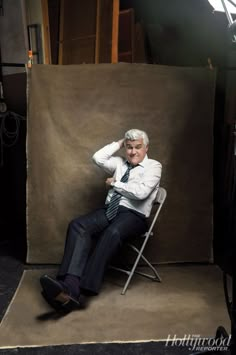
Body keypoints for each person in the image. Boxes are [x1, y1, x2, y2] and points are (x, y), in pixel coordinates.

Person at [40, 128, 162, 312]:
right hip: (110, 211)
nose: (133, 151)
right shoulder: (120, 163)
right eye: (129, 147)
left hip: (133, 216)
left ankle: (76, 292)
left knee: (111, 232)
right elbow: (98, 158)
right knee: (78, 226)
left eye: (138, 147)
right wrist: (120, 142)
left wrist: (115, 184)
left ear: (146, 148)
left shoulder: (154, 166)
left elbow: (141, 193)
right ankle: (67, 285)